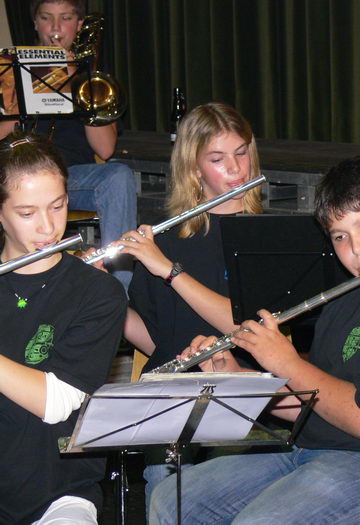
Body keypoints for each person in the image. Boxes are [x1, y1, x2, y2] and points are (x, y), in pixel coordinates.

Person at [149, 156, 360, 525]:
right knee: (174, 499)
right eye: (340, 236)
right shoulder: (351, 291)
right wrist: (237, 380)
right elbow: (317, 402)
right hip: (326, 451)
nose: (357, 248)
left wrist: (285, 362)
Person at [114, 101, 263, 509]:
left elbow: (245, 328)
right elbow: (153, 340)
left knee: (221, 484)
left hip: (241, 390)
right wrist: (100, 296)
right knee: (163, 487)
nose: (235, 169)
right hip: (171, 391)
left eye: (241, 152)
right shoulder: (163, 242)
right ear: (194, 169)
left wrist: (169, 271)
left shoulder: (266, 238)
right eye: (217, 159)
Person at [0, 132, 126, 524]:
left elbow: (57, 402)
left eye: (57, 206)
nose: (47, 227)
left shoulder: (97, 293)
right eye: (27, 213)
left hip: (57, 491)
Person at [0, 0, 137, 291]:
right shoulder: (9, 69)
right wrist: (22, 101)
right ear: (35, 23)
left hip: (70, 177)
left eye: (66, 19)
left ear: (79, 24)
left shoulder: (90, 76)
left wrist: (80, 85)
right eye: (47, 19)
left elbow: (106, 149)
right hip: (18, 177)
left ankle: (116, 290)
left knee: (119, 175)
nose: (56, 29)